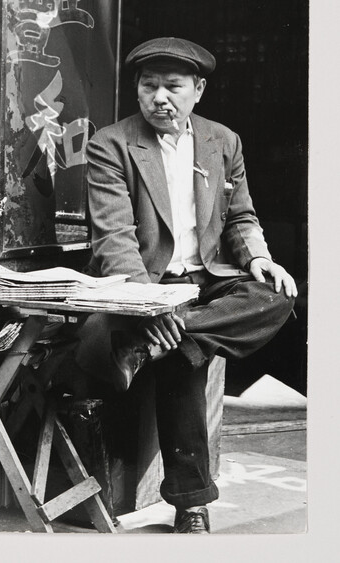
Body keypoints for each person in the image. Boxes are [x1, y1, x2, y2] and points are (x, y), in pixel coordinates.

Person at [74, 36, 297, 533]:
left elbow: (241, 217)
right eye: (149, 86)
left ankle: (176, 336)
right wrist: (151, 309)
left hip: (205, 284)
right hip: (145, 284)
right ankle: (191, 505)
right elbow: (115, 240)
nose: (160, 98)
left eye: (173, 87)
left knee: (276, 295)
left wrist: (259, 257)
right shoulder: (111, 145)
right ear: (136, 90)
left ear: (197, 90)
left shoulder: (224, 141)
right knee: (181, 354)